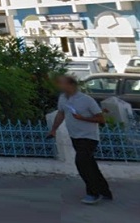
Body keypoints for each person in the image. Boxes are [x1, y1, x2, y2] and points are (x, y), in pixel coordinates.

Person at [48, 74, 113, 204]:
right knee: (90, 165)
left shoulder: (86, 100)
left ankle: (93, 193)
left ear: (71, 85)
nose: (59, 85)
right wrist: (54, 129)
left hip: (89, 137)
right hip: (75, 136)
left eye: (62, 83)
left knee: (82, 163)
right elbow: (61, 113)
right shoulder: (63, 98)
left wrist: (82, 118)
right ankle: (105, 192)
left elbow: (101, 119)